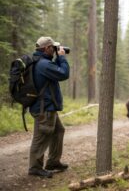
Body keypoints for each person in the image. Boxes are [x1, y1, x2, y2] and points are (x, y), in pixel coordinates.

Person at [28, 36, 70, 178]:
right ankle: (35, 167)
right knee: (42, 136)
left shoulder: (40, 62)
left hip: (47, 106)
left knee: (58, 131)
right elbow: (63, 73)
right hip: (44, 108)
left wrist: (58, 56)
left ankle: (53, 162)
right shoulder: (43, 64)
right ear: (46, 48)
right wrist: (62, 57)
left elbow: (57, 72)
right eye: (53, 48)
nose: (55, 50)